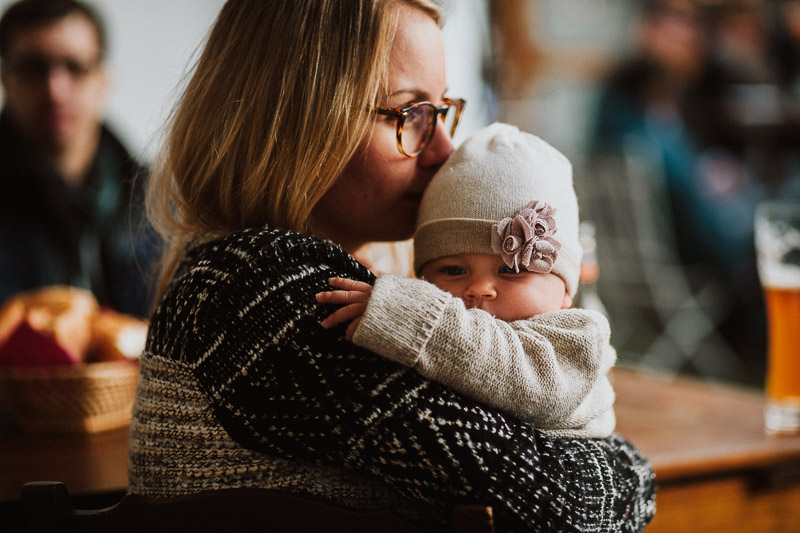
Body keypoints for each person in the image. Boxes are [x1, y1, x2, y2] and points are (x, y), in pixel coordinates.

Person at [129, 2, 656, 531]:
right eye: (411, 114)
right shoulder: (265, 294)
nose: (444, 149)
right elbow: (565, 509)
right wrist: (634, 471)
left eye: (442, 113)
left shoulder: (278, 278)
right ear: (301, 117)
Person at [318, 122, 615, 439]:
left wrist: (408, 314)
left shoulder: (576, 337)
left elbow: (532, 386)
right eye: (453, 271)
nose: (479, 289)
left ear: (565, 293)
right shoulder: (447, 328)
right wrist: (377, 288)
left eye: (511, 271)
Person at [0, 0, 157, 318]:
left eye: (74, 66)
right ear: (5, 80)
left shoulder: (155, 200)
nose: (55, 90)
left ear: (104, 80)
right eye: (34, 67)